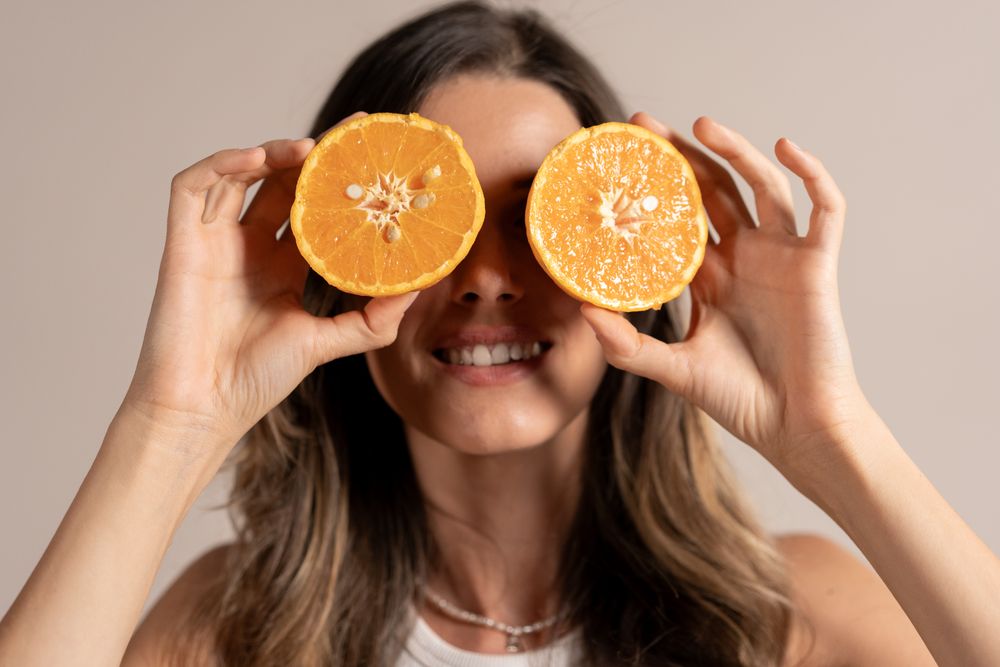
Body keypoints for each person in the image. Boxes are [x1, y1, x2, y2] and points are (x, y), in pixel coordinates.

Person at [1, 1, 997, 665]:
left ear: (633, 259)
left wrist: (830, 434)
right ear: (339, 262)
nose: (482, 279)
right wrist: (170, 422)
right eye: (429, 226)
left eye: (535, 221)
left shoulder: (793, 616)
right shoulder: (237, 625)